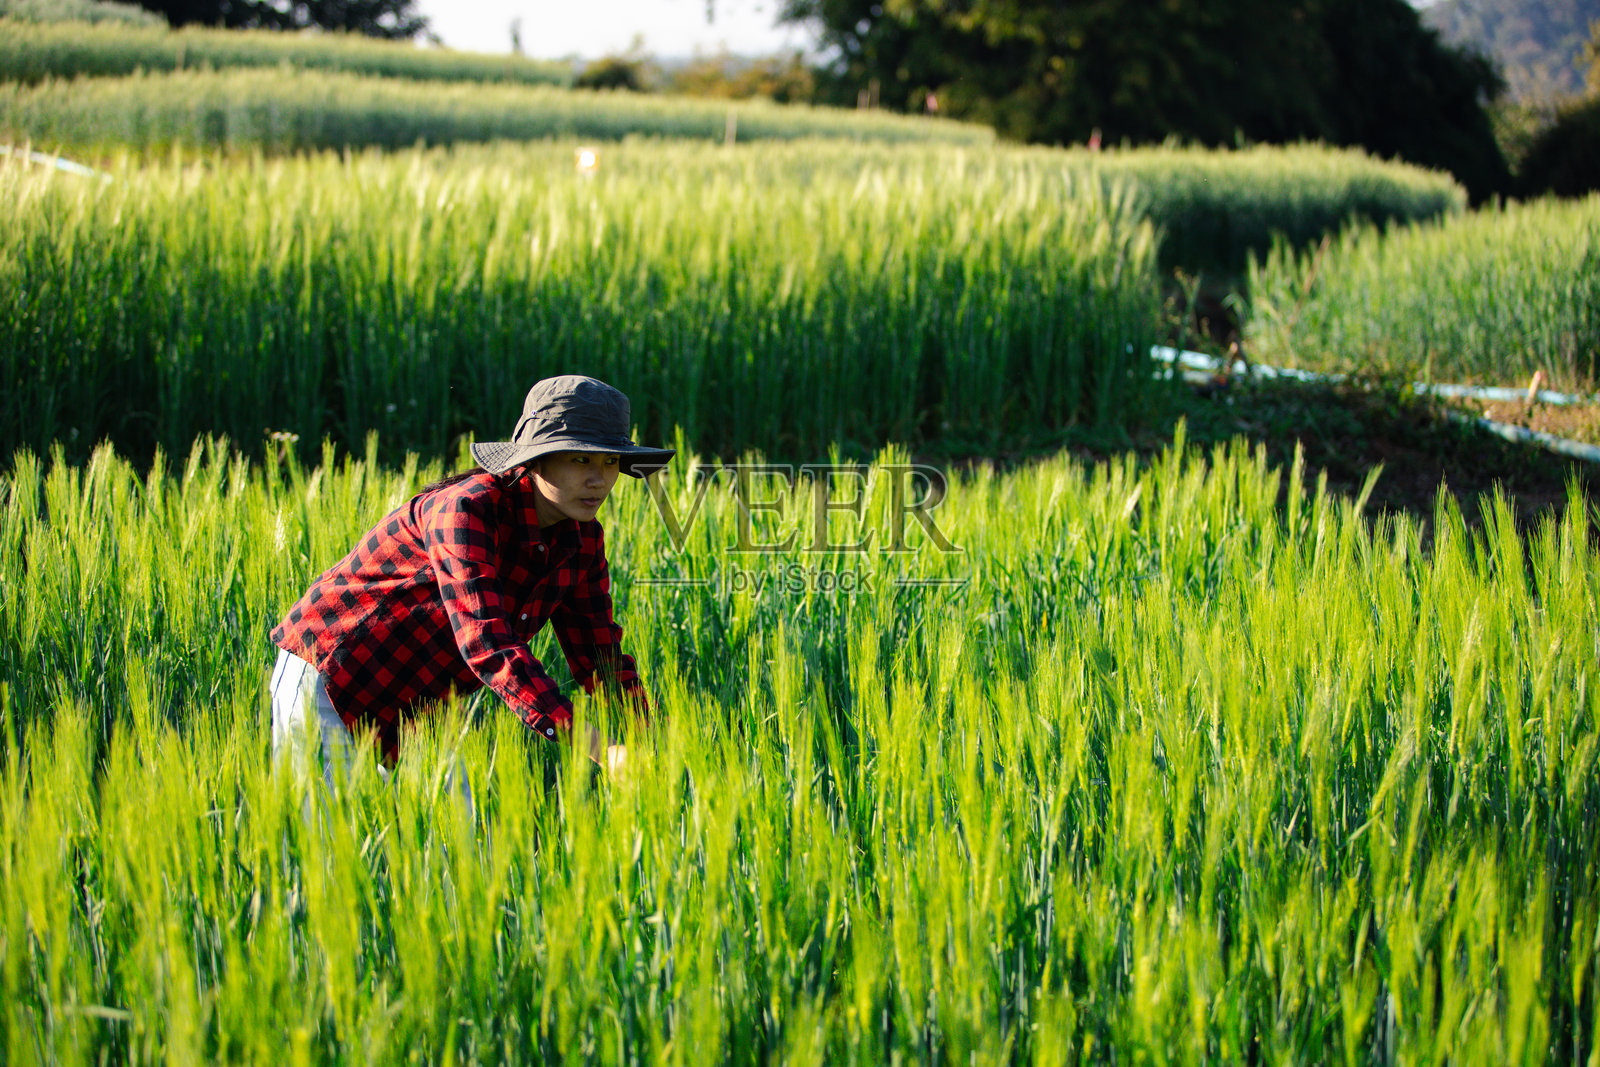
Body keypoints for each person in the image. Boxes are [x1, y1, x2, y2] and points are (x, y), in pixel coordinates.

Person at [268, 375, 671, 784]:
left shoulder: (583, 540)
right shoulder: (466, 509)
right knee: (324, 839)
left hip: (426, 702)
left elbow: (600, 659)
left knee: (446, 843)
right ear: (534, 459)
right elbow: (487, 641)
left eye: (609, 461)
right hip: (336, 674)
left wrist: (653, 742)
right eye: (581, 460)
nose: (599, 479)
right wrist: (597, 747)